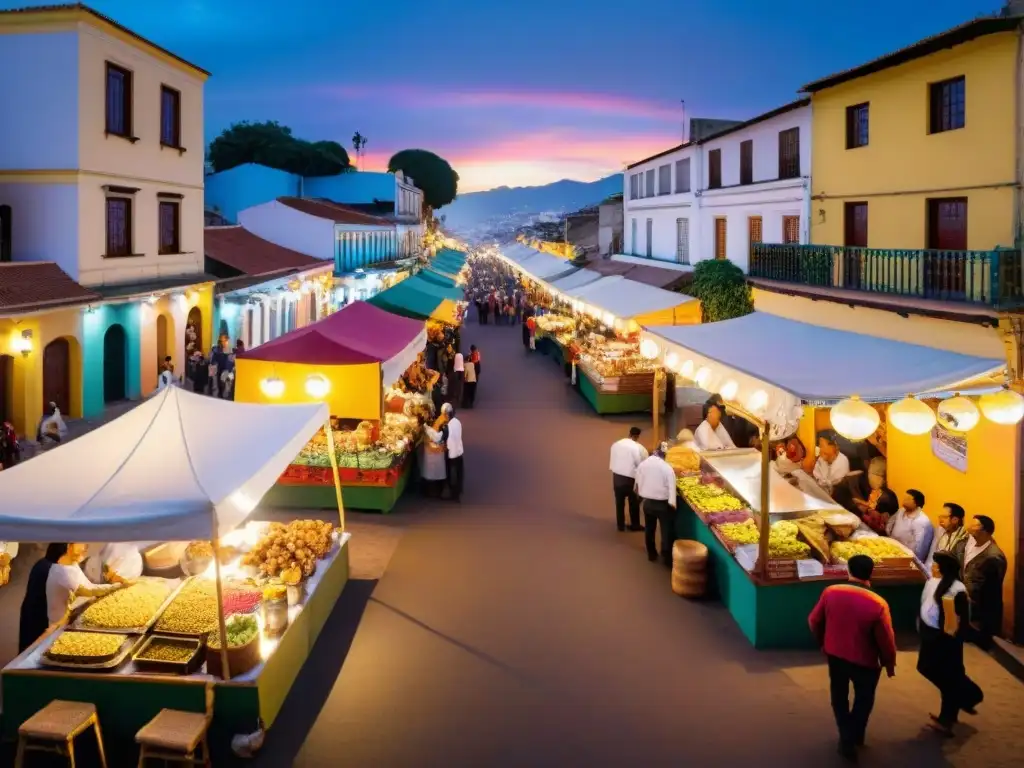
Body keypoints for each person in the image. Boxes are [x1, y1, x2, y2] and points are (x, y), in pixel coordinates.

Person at [808, 555, 896, 761]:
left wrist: (823, 642)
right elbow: (886, 640)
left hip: (835, 655)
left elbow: (813, 621)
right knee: (864, 700)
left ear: (848, 570)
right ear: (870, 573)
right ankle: (855, 736)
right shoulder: (878, 603)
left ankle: (846, 737)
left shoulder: (831, 592)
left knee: (839, 697)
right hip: (866, 661)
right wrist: (889, 663)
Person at [917, 551, 983, 735]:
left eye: (936, 565)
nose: (932, 566)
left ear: (944, 568)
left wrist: (953, 643)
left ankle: (950, 716)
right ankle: (967, 695)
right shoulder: (932, 582)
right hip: (930, 634)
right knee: (927, 668)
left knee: (948, 678)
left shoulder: (957, 589)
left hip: (946, 639)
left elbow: (962, 620)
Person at [18, 543, 118, 652]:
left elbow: (84, 586)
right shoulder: (53, 568)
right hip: (39, 614)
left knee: (33, 647)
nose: (85, 547)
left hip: (40, 610)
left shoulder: (57, 564)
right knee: (34, 648)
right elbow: (85, 589)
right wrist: (114, 587)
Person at [963, 515, 1007, 649]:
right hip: (969, 606)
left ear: (984, 531)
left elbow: (991, 592)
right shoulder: (971, 545)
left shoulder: (994, 557)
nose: (970, 527)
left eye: (974, 525)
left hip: (981, 610)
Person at [635, 442, 677, 566]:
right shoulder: (666, 467)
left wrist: (640, 497)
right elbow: (672, 487)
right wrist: (673, 504)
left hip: (647, 503)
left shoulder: (643, 464)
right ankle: (666, 558)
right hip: (663, 505)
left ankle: (651, 553)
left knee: (649, 529)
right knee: (666, 532)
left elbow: (637, 482)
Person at [840, 457, 898, 534]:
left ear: (883, 479)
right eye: (869, 475)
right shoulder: (868, 488)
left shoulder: (888, 497)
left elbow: (878, 515)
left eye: (875, 476)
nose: (870, 479)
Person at [609, 427, 648, 532]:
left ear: (629, 434)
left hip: (617, 478)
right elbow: (641, 464)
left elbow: (612, 460)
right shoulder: (639, 448)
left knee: (619, 503)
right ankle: (635, 525)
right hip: (631, 479)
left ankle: (620, 526)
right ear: (637, 436)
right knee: (634, 502)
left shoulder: (616, 444)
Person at [885, 489, 933, 562]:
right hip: (891, 549)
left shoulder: (921, 521)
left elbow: (920, 548)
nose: (904, 500)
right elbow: (890, 524)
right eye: (904, 498)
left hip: (905, 556)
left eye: (907, 499)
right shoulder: (901, 511)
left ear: (916, 503)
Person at [805, 431, 850, 496]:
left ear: (834, 446)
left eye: (822, 446)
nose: (820, 449)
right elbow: (816, 476)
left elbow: (834, 485)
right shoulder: (822, 459)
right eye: (819, 446)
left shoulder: (843, 461)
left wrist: (819, 481)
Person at [926, 503, 969, 569]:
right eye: (940, 517)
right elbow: (931, 555)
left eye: (944, 517)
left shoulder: (965, 537)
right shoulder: (939, 531)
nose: (940, 520)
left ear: (955, 519)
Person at [438, 403, 464, 502]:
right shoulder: (457, 422)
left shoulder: (447, 427)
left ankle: (453, 494)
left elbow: (439, 438)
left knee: (452, 474)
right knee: (458, 473)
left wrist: (427, 429)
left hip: (452, 454)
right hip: (459, 452)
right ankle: (457, 492)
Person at [421, 413, 449, 498]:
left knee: (431, 474)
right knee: (436, 474)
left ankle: (431, 492)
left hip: (432, 455)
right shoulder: (433, 429)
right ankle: (435, 492)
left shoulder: (429, 429)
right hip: (436, 455)